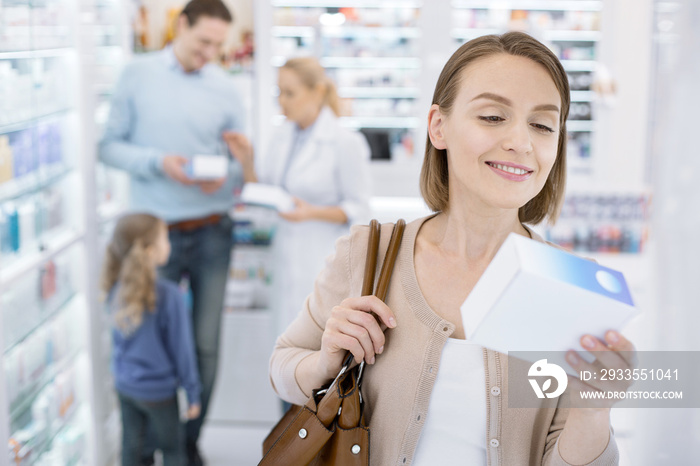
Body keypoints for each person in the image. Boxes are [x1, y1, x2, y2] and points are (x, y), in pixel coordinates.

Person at [269, 32, 636, 465]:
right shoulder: (368, 251)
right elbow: (283, 366)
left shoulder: (569, 289)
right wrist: (326, 363)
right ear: (438, 126)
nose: (521, 141)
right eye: (493, 116)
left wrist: (593, 411)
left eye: (542, 124)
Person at [98, 1, 252, 463]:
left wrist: (225, 173)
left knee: (205, 345)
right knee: (147, 342)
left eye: (218, 45)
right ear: (179, 26)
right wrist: (157, 163)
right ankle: (146, 444)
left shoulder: (226, 88)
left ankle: (186, 442)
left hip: (211, 231)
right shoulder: (136, 75)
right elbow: (108, 147)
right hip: (150, 238)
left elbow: (239, 168)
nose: (210, 52)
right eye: (202, 41)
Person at [224, 57, 371, 333]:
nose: (282, 101)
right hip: (284, 255)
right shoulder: (282, 136)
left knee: (319, 342)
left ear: (316, 92)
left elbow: (359, 209)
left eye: (290, 93)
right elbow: (265, 192)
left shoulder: (345, 142)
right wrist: (246, 161)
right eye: (279, 92)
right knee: (287, 341)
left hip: (322, 256)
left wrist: (311, 212)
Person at [101, 213, 201, 466]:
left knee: (131, 448)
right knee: (172, 450)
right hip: (160, 393)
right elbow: (183, 351)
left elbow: (117, 344)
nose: (169, 245)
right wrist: (192, 393)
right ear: (148, 250)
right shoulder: (169, 296)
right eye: (165, 239)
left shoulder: (115, 290)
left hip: (126, 388)